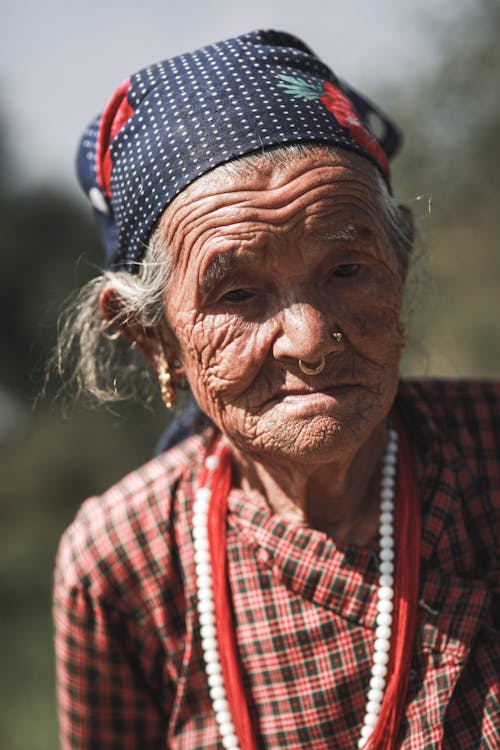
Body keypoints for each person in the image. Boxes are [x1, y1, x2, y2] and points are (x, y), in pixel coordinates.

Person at [53, 29, 499, 749]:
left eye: (347, 269)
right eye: (237, 294)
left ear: (400, 262)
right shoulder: (125, 565)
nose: (310, 339)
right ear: (152, 337)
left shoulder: (487, 460)